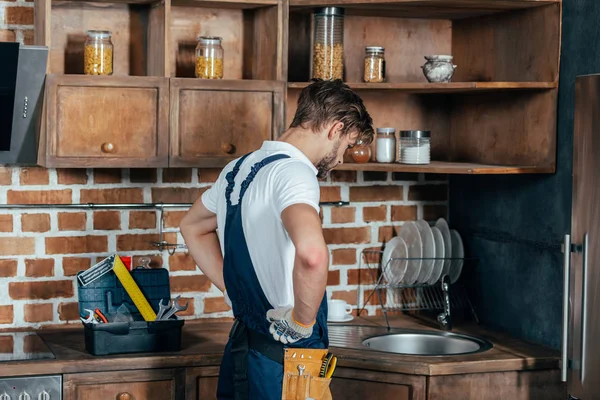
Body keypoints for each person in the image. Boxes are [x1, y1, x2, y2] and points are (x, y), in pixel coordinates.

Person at [179, 79, 374, 400]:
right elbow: (312, 254)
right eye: (347, 146)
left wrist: (230, 287)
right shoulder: (295, 173)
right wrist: (301, 321)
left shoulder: (239, 168)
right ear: (335, 129)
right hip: (287, 360)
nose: (341, 159)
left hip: (244, 347)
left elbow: (192, 227)